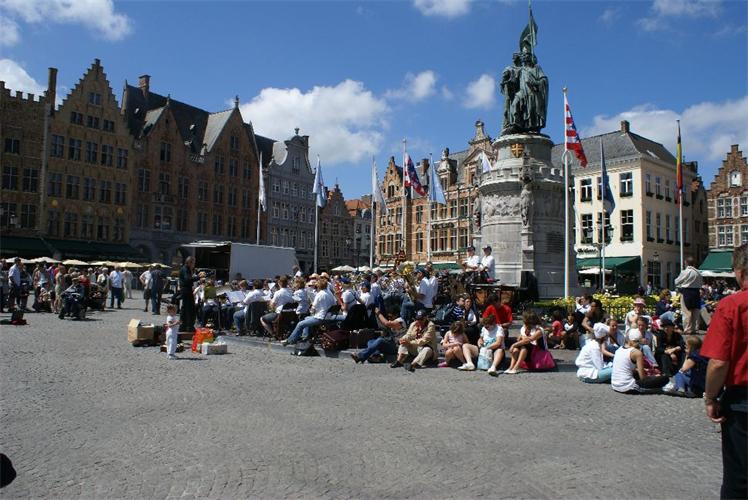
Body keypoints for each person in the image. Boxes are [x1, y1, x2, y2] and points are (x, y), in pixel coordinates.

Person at [701, 243, 747, 500]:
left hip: (743, 402)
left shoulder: (731, 305)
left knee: (739, 479)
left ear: (740, 272)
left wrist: (710, 397)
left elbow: (718, 362)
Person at [610, 329, 669, 394]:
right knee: (665, 378)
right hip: (627, 387)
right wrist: (653, 377)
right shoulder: (637, 353)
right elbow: (643, 378)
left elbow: (627, 368)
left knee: (638, 374)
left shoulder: (619, 349)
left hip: (615, 385)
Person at [283, 279, 336, 345]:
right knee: (306, 318)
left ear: (318, 286)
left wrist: (312, 309)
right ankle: (305, 336)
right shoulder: (330, 293)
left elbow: (313, 307)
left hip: (321, 317)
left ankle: (290, 340)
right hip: (329, 316)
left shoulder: (320, 294)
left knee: (300, 324)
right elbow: (334, 304)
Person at [674, 256, 703, 335]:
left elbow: (677, 281)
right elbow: (701, 283)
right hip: (696, 292)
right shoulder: (698, 273)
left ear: (686, 263)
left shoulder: (686, 272)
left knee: (687, 312)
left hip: (687, 292)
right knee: (695, 311)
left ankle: (687, 329)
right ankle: (695, 328)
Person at [178, 257, 200, 333]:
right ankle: (188, 326)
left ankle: (185, 326)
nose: (194, 264)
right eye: (193, 263)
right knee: (189, 309)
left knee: (186, 308)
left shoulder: (186, 269)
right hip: (186, 290)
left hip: (186, 290)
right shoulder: (185, 269)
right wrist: (198, 277)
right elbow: (188, 279)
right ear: (190, 262)